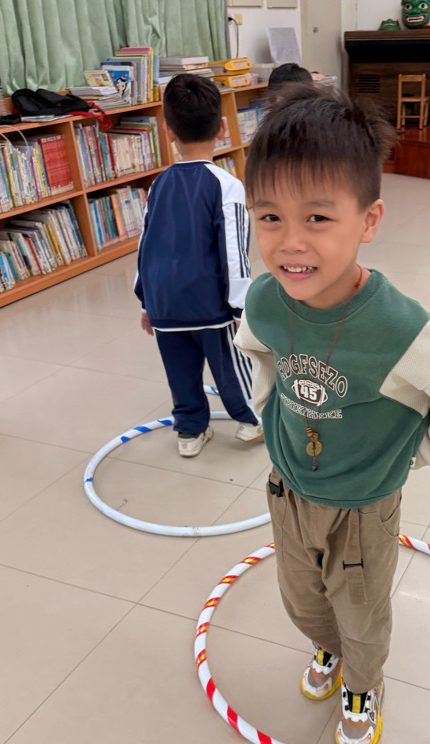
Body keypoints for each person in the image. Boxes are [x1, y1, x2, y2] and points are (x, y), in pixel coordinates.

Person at [234, 86, 430, 744]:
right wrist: (270, 408)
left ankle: (364, 682)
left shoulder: (398, 328)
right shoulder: (267, 297)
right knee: (302, 597)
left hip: (361, 503)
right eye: (269, 217)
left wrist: (420, 450)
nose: (291, 243)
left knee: (359, 607)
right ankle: (326, 648)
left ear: (368, 219)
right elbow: (256, 344)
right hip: (289, 487)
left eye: (318, 217)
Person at [134, 74, 262, 457]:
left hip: (165, 305)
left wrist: (146, 302)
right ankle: (252, 420)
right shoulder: (226, 185)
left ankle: (189, 432)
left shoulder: (158, 185)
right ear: (222, 128)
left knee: (180, 372)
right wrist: (240, 307)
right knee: (232, 369)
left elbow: (146, 245)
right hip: (210, 306)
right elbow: (234, 251)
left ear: (168, 130)